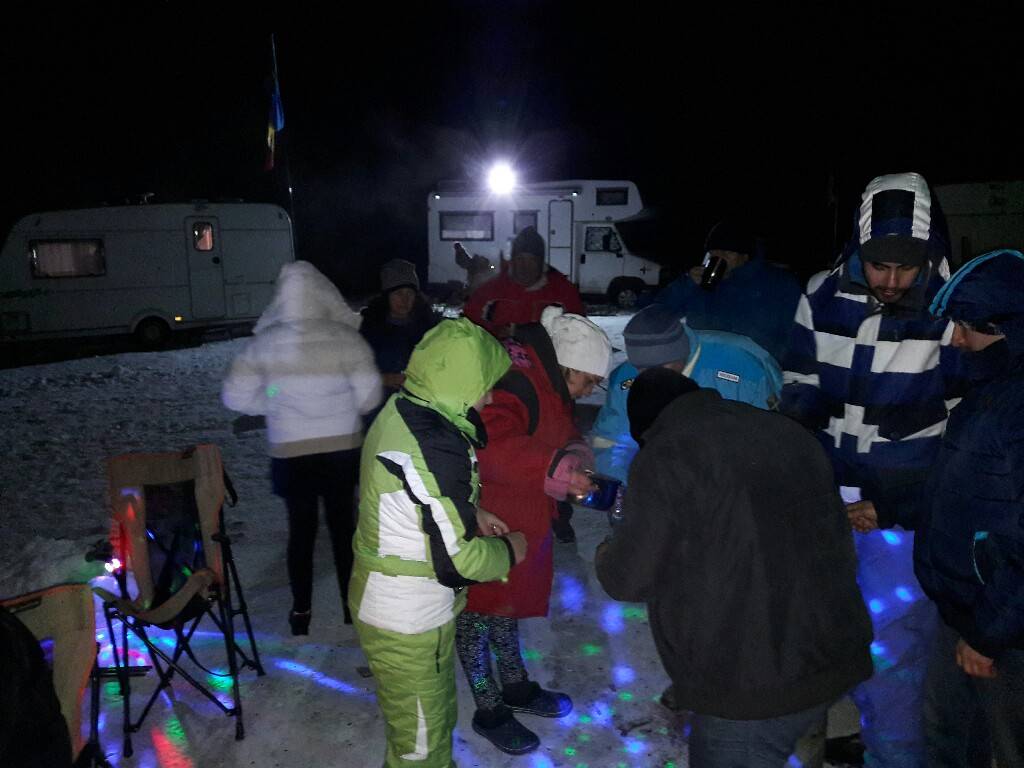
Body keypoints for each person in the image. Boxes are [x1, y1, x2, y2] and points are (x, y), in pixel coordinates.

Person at [780, 171, 968, 767]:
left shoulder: (952, 311)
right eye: (878, 265)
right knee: (830, 628)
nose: (890, 281)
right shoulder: (821, 294)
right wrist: (805, 458)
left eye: (904, 268)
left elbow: (965, 433)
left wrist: (898, 502)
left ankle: (896, 755)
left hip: (901, 513)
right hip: (830, 500)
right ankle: (848, 733)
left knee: (896, 649)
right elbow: (799, 380)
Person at [595, 367, 873, 768]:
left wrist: (608, 552)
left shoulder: (667, 454)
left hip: (753, 688)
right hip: (834, 652)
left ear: (645, 427)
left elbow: (629, 578)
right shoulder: (784, 430)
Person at [349, 317, 527, 768]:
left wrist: (471, 513)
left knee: (436, 720)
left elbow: (420, 497)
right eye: (485, 387)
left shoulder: (413, 408)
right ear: (459, 382)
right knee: (419, 746)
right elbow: (459, 561)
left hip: (420, 610)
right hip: (403, 617)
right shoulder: (427, 443)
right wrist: (513, 549)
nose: (489, 398)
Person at [457, 305, 610, 755]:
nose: (589, 391)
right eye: (588, 381)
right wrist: (557, 468)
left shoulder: (547, 381)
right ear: (568, 366)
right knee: (477, 614)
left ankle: (515, 685)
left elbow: (559, 427)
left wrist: (576, 455)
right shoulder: (515, 378)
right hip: (488, 515)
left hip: (520, 514)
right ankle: (488, 708)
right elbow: (493, 443)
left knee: (506, 605)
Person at [221, 260, 382, 633]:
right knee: (344, 530)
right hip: (341, 452)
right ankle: (351, 607)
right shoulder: (345, 339)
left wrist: (272, 400)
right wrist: (341, 408)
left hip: (292, 455)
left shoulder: (266, 343)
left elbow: (234, 397)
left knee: (301, 532)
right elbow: (370, 396)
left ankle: (301, 613)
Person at [912, 249, 1024, 768]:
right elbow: (963, 486)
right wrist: (886, 504)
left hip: (1005, 629)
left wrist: (987, 634)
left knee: (1008, 746)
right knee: (949, 737)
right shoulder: (990, 391)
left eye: (967, 327)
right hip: (966, 611)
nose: (956, 340)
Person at [591, 303, 783, 484]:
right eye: (641, 368)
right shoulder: (625, 380)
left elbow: (767, 443)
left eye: (661, 367)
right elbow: (610, 443)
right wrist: (632, 482)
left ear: (682, 353)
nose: (650, 376)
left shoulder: (741, 367)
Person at [649, 219, 802, 363]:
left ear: (745, 256)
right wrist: (687, 283)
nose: (719, 258)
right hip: (704, 365)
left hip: (754, 368)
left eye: (727, 253)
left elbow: (795, 335)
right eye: (714, 253)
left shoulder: (778, 283)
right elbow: (657, 314)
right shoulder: (699, 283)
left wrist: (771, 363)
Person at [462, 225, 585, 338]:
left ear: (541, 262)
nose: (525, 266)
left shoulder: (563, 292)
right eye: (520, 259)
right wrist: (495, 331)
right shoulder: (491, 291)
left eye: (532, 260)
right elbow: (469, 323)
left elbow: (579, 330)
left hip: (550, 354)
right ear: (512, 261)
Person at [359, 258, 440, 396]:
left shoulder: (427, 326)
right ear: (386, 296)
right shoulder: (369, 327)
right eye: (398, 293)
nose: (405, 300)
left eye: (409, 293)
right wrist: (383, 379)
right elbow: (354, 371)